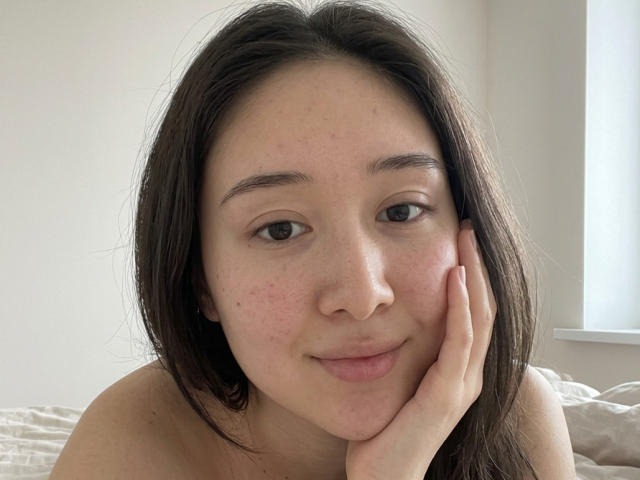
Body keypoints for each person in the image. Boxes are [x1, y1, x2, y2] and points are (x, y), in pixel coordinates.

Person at [51, 1, 576, 478]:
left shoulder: (521, 419)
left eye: (402, 210)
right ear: (201, 281)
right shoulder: (131, 447)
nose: (362, 294)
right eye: (279, 229)